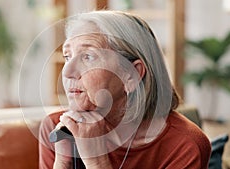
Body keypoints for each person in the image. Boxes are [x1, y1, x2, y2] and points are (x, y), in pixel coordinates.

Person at [39, 10, 211, 169]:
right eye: (67, 57)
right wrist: (62, 163)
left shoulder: (185, 145)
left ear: (132, 75)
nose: (67, 72)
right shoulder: (56, 128)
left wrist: (96, 162)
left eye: (87, 57)